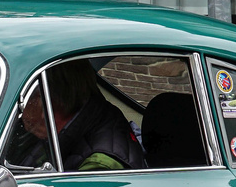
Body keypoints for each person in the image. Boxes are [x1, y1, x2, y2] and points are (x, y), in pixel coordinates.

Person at [16, 60, 145, 172]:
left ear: (47, 102)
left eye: (26, 99)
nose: (21, 114)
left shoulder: (100, 165)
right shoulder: (86, 118)